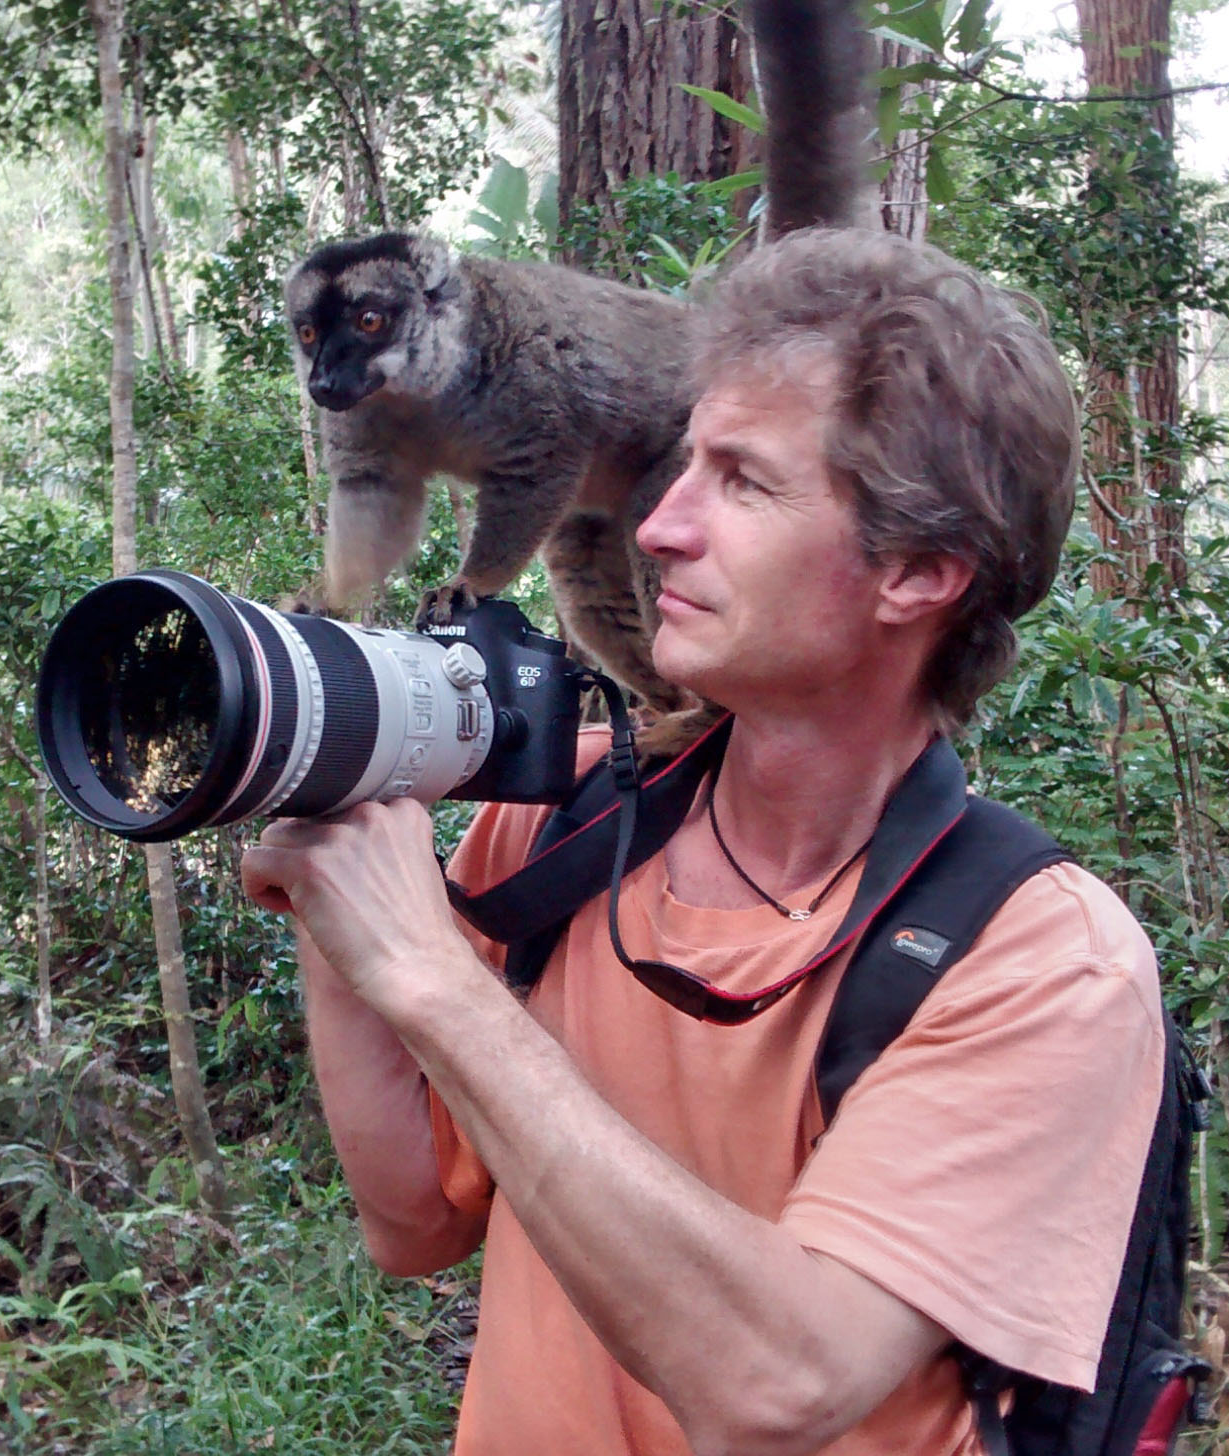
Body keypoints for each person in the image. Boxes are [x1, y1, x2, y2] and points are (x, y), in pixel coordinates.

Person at [240, 229, 1167, 1456]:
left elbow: (778, 1388)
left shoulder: (1041, 962)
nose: (660, 525)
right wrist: (344, 855)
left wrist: (431, 980)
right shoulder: (566, 827)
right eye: (683, 466)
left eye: (740, 480)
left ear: (920, 571)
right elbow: (411, 1223)